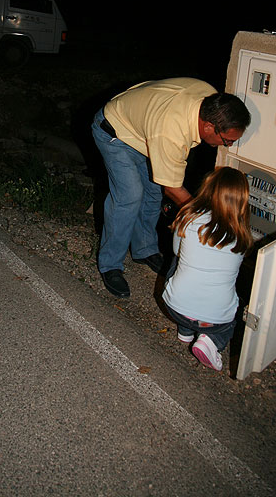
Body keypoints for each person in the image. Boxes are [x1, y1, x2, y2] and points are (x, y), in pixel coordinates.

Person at [91, 77, 251, 298]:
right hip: (115, 132)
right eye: (227, 140)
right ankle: (110, 265)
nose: (229, 145)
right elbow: (173, 190)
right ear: (208, 126)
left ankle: (144, 249)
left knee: (153, 192)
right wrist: (209, 221)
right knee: (130, 196)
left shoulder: (211, 101)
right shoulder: (171, 131)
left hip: (144, 134)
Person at [162, 166, 253, 371]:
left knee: (180, 262)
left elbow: (177, 251)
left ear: (208, 189)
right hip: (214, 321)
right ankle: (212, 341)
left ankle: (185, 331)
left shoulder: (189, 217)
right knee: (232, 301)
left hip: (175, 308)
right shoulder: (243, 235)